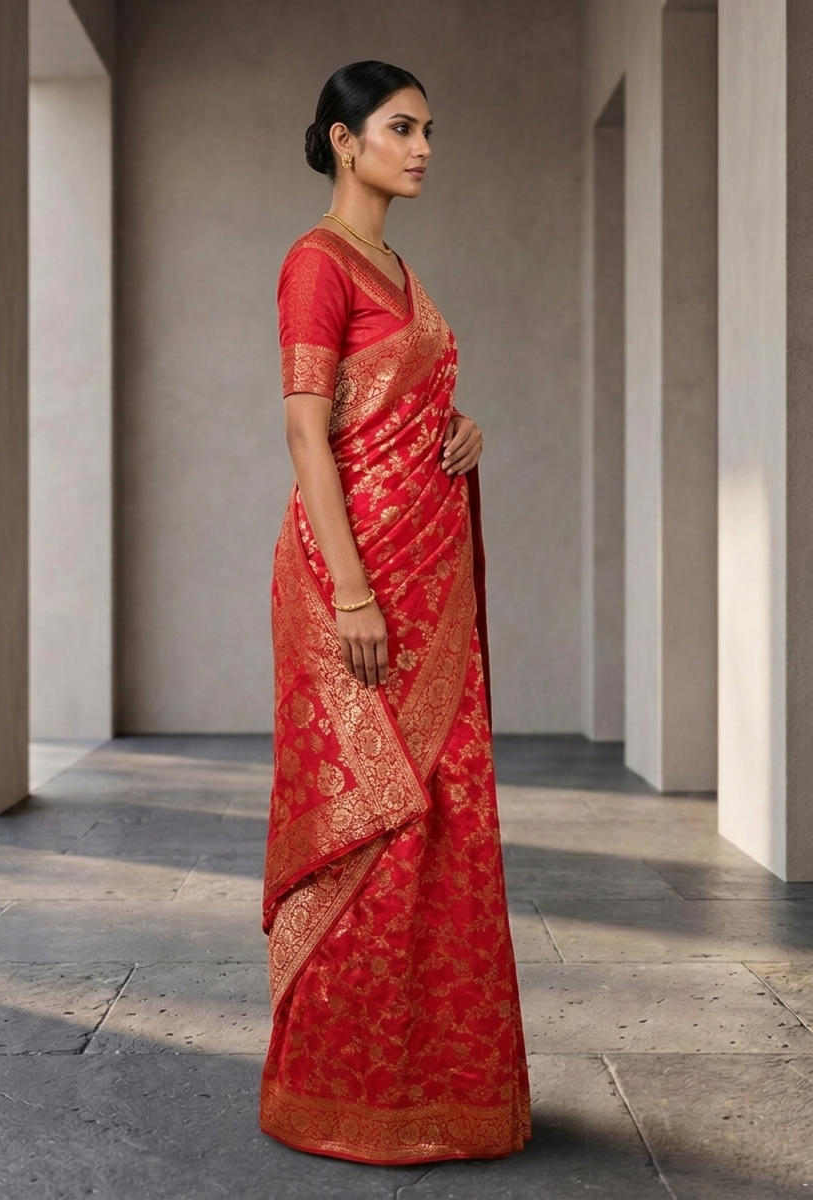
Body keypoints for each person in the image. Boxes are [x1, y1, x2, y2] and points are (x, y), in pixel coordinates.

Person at [260, 60, 531, 1165]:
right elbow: (305, 431)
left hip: (430, 583)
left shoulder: (400, 270)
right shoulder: (315, 263)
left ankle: (440, 1088)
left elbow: (405, 408)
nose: (422, 148)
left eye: (427, 131)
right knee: (370, 831)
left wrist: (461, 429)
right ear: (343, 140)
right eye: (401, 128)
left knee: (443, 822)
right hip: (354, 582)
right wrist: (353, 592)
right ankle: (337, 1092)